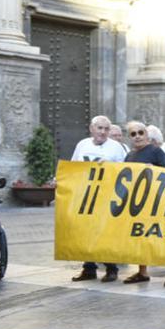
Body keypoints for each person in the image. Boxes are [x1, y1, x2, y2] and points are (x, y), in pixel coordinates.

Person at [121, 121, 165, 286]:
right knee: (140, 237)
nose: (137, 136)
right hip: (138, 204)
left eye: (140, 132)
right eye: (133, 134)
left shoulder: (156, 151)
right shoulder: (129, 156)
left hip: (158, 202)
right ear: (130, 138)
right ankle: (142, 271)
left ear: (146, 135)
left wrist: (152, 168)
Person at [70, 115, 127, 283]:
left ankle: (111, 268)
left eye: (106, 129)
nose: (103, 132)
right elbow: (74, 166)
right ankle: (89, 268)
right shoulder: (82, 145)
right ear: (91, 128)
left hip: (107, 196)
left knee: (105, 232)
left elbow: (127, 170)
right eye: (99, 128)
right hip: (86, 195)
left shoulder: (116, 148)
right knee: (86, 231)